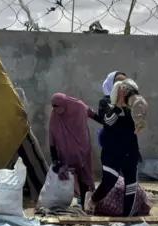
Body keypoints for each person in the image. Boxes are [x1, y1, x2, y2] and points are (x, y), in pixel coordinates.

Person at [85, 70, 144, 216]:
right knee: (110, 180)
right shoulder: (105, 102)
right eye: (119, 83)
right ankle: (92, 199)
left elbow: (139, 119)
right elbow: (108, 122)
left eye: (125, 84)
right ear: (112, 86)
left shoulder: (131, 104)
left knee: (131, 185)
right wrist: (117, 105)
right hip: (112, 150)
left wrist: (140, 120)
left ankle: (127, 219)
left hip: (130, 149)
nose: (123, 87)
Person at [49, 93, 102, 207]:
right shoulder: (55, 116)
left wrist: (107, 124)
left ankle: (84, 202)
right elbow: (51, 137)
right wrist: (54, 158)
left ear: (64, 104)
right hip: (66, 153)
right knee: (69, 177)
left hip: (82, 149)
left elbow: (92, 114)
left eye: (58, 107)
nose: (56, 110)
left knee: (84, 176)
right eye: (54, 107)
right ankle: (72, 201)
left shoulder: (79, 106)